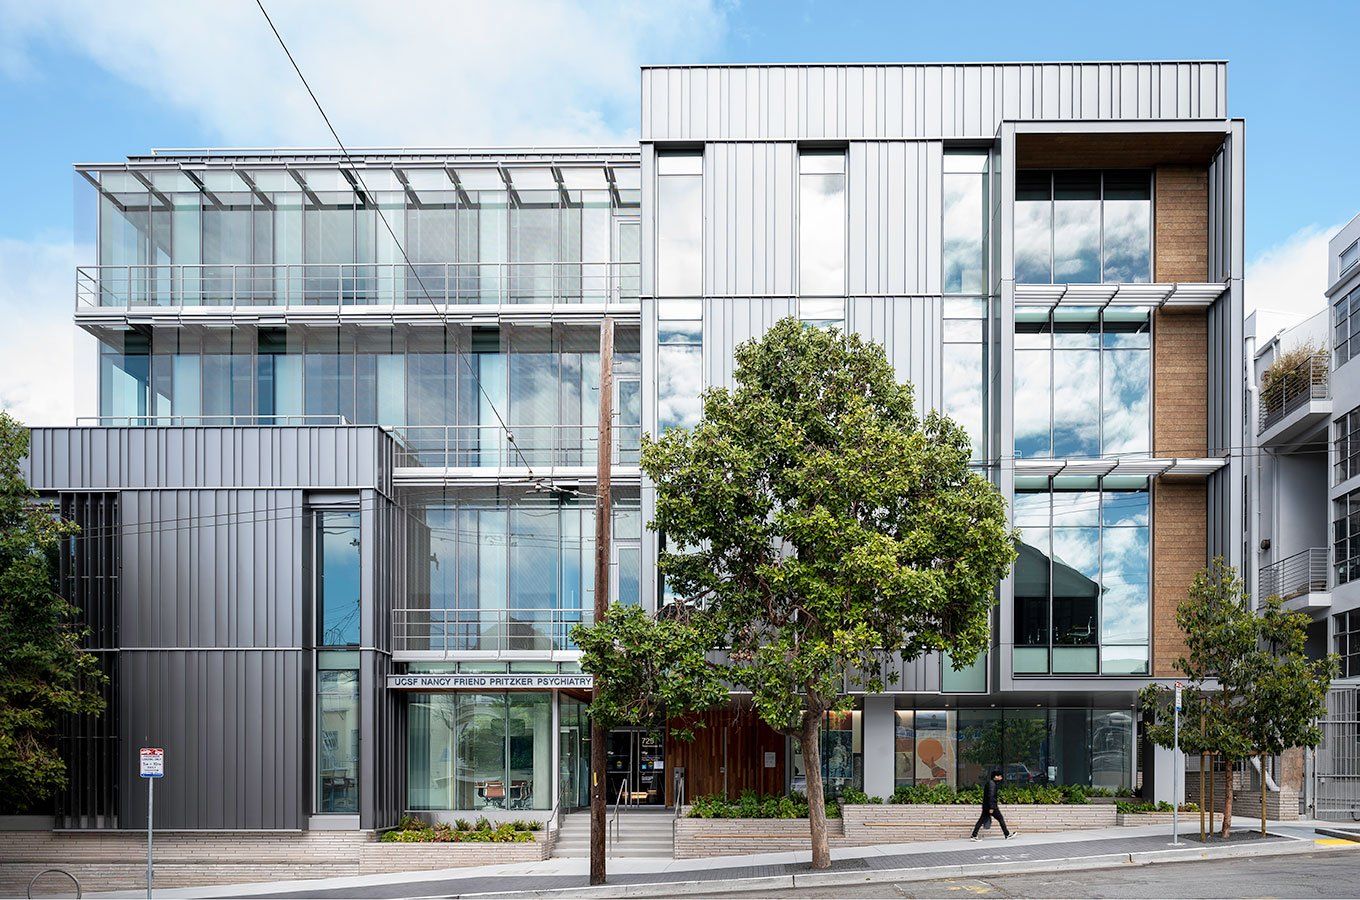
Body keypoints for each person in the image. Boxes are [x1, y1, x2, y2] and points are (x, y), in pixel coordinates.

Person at [971, 769, 1015, 840]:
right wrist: (991, 807)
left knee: (981, 820)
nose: (1001, 778)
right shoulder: (992, 784)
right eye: (1000, 776)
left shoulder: (991, 783)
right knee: (1000, 818)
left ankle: (974, 835)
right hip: (991, 807)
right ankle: (1007, 834)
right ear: (995, 777)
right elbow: (991, 796)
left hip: (987, 806)